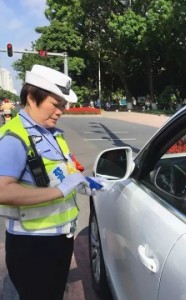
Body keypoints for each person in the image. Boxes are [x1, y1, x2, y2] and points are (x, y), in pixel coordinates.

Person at [0, 64, 104, 300]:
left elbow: (62, 172)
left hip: (59, 240)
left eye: (63, 106)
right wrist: (59, 191)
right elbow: (2, 190)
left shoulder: (53, 134)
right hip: (32, 246)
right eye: (55, 104)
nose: (60, 111)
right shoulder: (14, 136)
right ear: (30, 97)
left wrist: (80, 182)